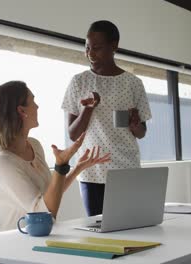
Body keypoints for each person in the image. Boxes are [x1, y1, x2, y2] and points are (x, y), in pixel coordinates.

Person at [0, 81, 110, 232]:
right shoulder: (2, 163)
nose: (37, 106)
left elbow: (51, 191)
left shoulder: (34, 145)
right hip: (18, 242)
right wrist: (60, 167)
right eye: (33, 101)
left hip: (45, 236)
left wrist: (78, 168)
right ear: (22, 111)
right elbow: (44, 215)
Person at [61, 20, 152, 216]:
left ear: (114, 46)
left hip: (126, 169)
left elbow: (142, 133)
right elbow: (73, 134)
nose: (90, 54)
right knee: (98, 231)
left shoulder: (133, 83)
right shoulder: (79, 82)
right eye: (87, 47)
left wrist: (135, 125)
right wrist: (88, 109)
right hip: (91, 172)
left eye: (97, 48)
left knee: (128, 228)